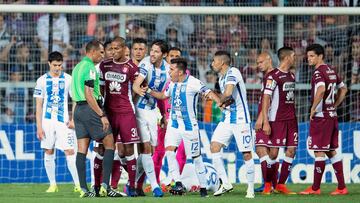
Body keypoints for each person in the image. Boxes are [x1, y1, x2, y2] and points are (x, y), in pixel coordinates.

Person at [149, 57, 221, 198]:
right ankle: (178, 182)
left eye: (171, 69)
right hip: (174, 125)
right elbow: (163, 95)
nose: (169, 71)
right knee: (169, 151)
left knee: (196, 157)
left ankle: (203, 187)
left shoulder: (193, 82)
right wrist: (149, 91)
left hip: (189, 127)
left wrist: (219, 101)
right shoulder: (171, 84)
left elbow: (208, 92)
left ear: (180, 72)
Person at [71, 40, 123, 198]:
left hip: (78, 110)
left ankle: (84, 190)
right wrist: (101, 114)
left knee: (81, 149)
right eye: (101, 52)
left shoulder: (77, 67)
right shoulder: (90, 68)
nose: (103, 55)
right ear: (92, 52)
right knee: (109, 143)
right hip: (90, 109)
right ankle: (106, 187)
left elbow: (76, 93)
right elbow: (88, 93)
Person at [300, 44, 348, 195]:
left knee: (319, 151)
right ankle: (341, 187)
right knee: (331, 151)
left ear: (320, 56)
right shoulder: (331, 70)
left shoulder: (318, 72)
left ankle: (315, 188)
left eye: (312, 56)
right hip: (332, 116)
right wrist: (334, 105)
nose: (309, 59)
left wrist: (314, 108)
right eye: (308, 56)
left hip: (322, 117)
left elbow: (320, 90)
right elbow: (344, 88)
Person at [99, 36, 141, 197]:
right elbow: (102, 89)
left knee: (129, 149)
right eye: (112, 48)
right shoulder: (105, 65)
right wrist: (102, 108)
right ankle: (103, 185)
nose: (114, 51)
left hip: (126, 113)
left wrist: (130, 102)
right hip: (109, 113)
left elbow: (139, 89)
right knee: (106, 148)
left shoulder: (131, 67)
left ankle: (132, 185)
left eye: (117, 48)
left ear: (124, 49)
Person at [210, 51, 255, 198]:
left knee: (246, 153)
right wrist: (220, 102)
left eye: (214, 61)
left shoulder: (232, 72)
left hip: (241, 120)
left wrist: (217, 99)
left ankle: (250, 189)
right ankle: (226, 183)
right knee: (214, 146)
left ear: (222, 62)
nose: (212, 64)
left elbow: (228, 93)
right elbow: (230, 99)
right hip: (228, 119)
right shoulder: (222, 77)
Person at [34, 51, 80, 193]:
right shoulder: (41, 80)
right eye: (54, 65)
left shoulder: (69, 79)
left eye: (59, 65)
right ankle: (53, 184)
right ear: (49, 64)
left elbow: (75, 100)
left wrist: (73, 119)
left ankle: (78, 185)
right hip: (47, 122)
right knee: (48, 150)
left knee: (70, 152)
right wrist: (39, 127)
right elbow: (39, 106)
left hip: (64, 122)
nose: (57, 68)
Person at [132, 39, 170, 197]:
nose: (152, 54)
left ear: (164, 55)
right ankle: (155, 186)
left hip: (153, 111)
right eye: (152, 50)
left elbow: (163, 96)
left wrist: (164, 115)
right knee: (146, 148)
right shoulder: (146, 64)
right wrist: (139, 91)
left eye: (156, 51)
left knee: (150, 150)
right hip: (139, 110)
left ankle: (132, 182)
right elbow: (136, 84)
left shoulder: (168, 70)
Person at [262, 47, 298, 195]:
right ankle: (268, 184)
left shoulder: (292, 75)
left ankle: (281, 185)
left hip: (292, 120)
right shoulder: (273, 76)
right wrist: (265, 121)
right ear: (287, 57)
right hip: (277, 120)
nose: (295, 58)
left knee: (291, 150)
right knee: (274, 154)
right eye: (294, 56)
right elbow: (266, 98)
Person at [253, 52, 277, 192]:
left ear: (269, 60)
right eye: (257, 62)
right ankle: (273, 184)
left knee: (261, 149)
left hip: (267, 119)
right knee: (269, 152)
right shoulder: (270, 76)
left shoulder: (271, 76)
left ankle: (267, 184)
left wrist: (261, 119)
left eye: (261, 62)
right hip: (272, 119)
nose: (258, 65)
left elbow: (267, 101)